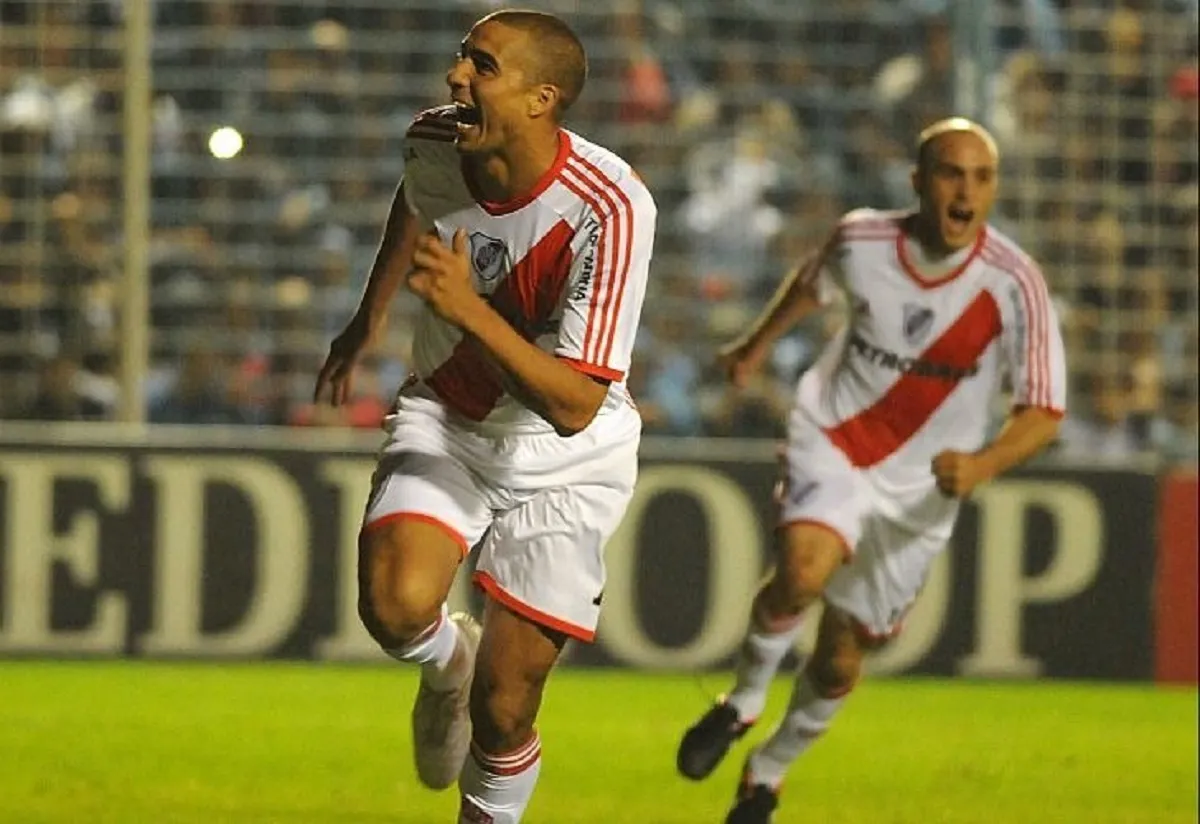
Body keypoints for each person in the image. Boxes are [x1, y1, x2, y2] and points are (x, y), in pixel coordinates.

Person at [314, 10, 656, 824]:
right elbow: (415, 197)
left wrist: (469, 311)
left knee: (506, 709)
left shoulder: (610, 209)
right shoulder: (437, 141)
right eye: (461, 58)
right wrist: (372, 316)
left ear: (543, 99)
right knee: (395, 610)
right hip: (450, 415)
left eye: (482, 66)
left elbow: (575, 404)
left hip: (567, 453)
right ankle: (445, 662)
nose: (455, 77)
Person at [675, 117, 1066, 824]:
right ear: (918, 183)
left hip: (922, 489)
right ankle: (743, 702)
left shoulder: (1016, 284)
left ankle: (768, 770)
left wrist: (983, 464)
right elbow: (810, 285)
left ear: (994, 189)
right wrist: (754, 344)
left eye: (981, 178)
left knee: (841, 658)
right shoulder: (862, 240)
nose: (966, 190)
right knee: (802, 570)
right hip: (838, 436)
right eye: (951, 173)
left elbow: (1044, 411)